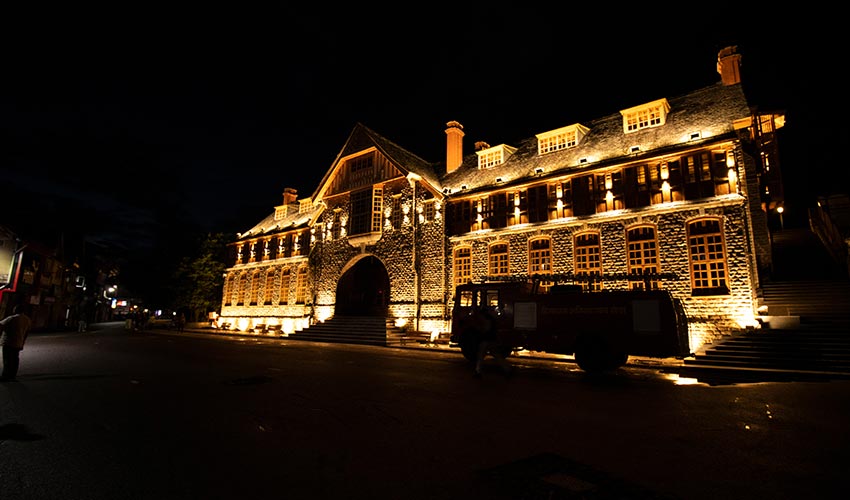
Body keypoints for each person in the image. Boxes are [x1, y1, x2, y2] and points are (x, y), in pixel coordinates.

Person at [473, 304, 513, 378]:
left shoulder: (485, 319)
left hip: (486, 340)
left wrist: (480, 331)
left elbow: (486, 329)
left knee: (480, 356)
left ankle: (478, 371)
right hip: (492, 340)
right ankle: (507, 369)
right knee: (497, 355)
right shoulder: (491, 318)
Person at [0, 304, 33, 382]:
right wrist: (22, 343)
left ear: (16, 310)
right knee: (15, 360)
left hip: (8, 342)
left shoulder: (11, 318)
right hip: (18, 343)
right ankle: (12, 375)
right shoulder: (27, 320)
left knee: (7, 359)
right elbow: (26, 333)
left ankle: (5, 376)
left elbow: (1, 325)